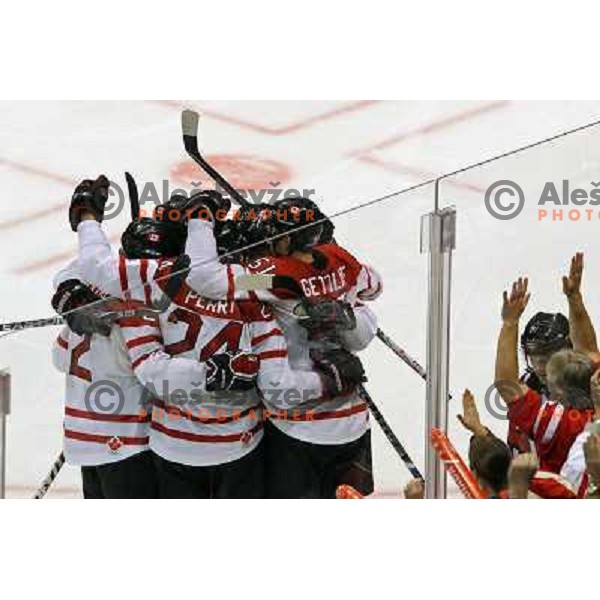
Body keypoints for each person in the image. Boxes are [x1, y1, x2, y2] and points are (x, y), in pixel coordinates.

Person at [50, 274, 158, 499]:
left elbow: (59, 359)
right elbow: (154, 373)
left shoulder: (76, 323)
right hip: (125, 445)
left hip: (83, 441)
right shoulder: (126, 323)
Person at [494, 257, 598, 473]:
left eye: (548, 356)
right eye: (534, 355)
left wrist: (509, 323)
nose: (540, 364)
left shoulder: (557, 419)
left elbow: (506, 385)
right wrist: (574, 298)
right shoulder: (591, 389)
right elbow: (590, 353)